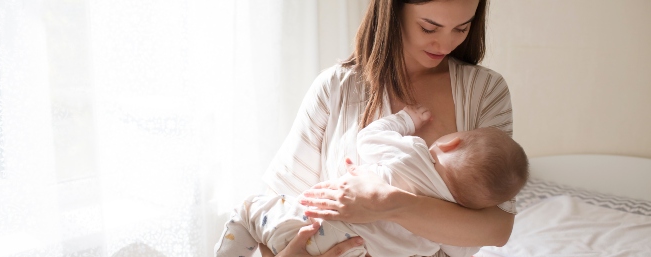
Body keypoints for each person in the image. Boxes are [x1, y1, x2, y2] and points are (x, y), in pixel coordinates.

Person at [260, 0, 517, 256]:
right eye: (429, 28)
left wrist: (388, 203)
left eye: (461, 28)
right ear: (393, 10)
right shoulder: (336, 87)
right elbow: (271, 207)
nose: (446, 45)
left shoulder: (483, 91)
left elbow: (497, 229)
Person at [215, 106, 528, 257]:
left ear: (451, 142)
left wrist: (407, 120)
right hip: (356, 252)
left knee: (248, 210)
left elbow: (370, 137)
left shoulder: (414, 153)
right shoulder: (454, 225)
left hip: (313, 224)